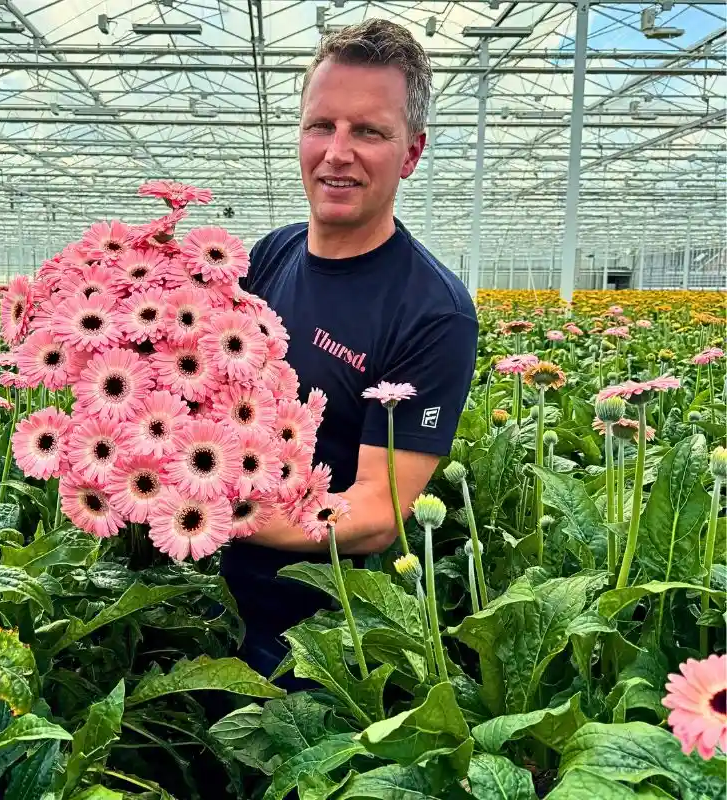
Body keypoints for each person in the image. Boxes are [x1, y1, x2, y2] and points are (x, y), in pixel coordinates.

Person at [220, 18, 479, 682]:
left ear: (411, 153)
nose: (337, 152)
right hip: (198, 599)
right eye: (321, 126)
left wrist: (206, 512)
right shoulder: (268, 254)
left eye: (368, 131)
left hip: (316, 643)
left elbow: (376, 514)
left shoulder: (433, 313)